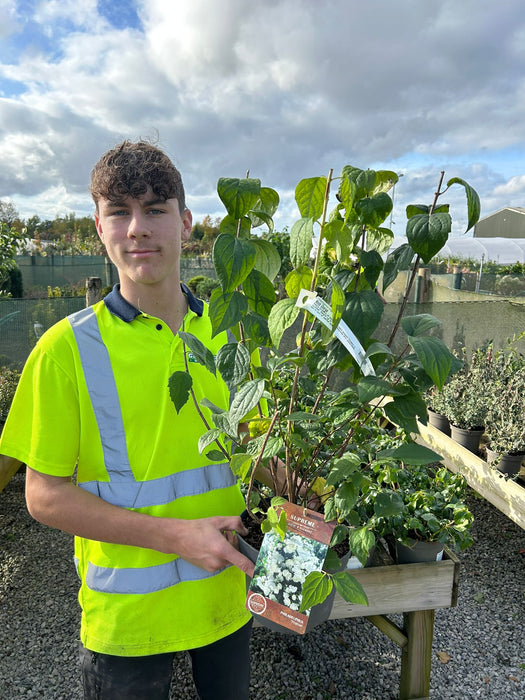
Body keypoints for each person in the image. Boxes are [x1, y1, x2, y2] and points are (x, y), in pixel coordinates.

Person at [0, 140, 258, 699]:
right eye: (119, 210)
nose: (137, 228)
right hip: (127, 620)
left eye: (156, 209)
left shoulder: (233, 335)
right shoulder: (65, 349)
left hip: (227, 595)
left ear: (186, 223)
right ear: (99, 226)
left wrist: (305, 479)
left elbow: (258, 449)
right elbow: (43, 496)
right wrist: (175, 537)